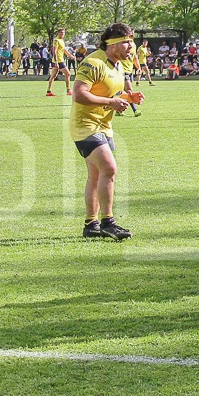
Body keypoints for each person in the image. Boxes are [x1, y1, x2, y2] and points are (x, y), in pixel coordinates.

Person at [71, 23, 145, 239]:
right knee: (110, 169)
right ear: (112, 44)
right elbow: (79, 94)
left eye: (132, 42)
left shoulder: (118, 65)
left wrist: (128, 98)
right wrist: (111, 103)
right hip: (84, 124)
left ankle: (90, 224)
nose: (131, 47)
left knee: (96, 175)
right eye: (127, 42)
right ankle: (108, 223)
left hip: (103, 125)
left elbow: (110, 93)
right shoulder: (93, 63)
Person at [45, 28, 74, 96]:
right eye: (61, 32)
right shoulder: (56, 40)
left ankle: (48, 91)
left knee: (53, 76)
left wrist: (70, 56)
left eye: (63, 32)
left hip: (59, 60)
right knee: (68, 74)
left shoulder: (62, 40)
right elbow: (54, 51)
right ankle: (68, 90)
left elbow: (64, 50)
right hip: (59, 60)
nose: (62, 34)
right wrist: (56, 62)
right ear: (58, 33)